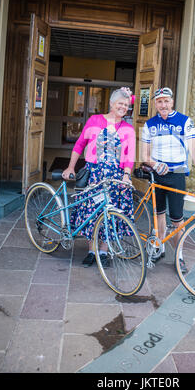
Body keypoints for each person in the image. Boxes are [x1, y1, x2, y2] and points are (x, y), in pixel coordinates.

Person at [62, 87, 135, 268]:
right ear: (112, 103)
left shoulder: (128, 129)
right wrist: (71, 166)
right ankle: (91, 251)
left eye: (126, 105)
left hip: (116, 179)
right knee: (92, 213)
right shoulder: (94, 120)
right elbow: (80, 144)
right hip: (94, 176)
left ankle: (103, 251)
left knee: (111, 214)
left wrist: (126, 175)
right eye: (120, 103)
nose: (123, 107)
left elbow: (129, 156)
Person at [141, 87, 195, 273]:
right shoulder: (149, 124)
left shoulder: (184, 121)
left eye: (166, 101)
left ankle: (178, 256)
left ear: (172, 102)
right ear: (155, 104)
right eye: (159, 101)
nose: (163, 104)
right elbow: (144, 155)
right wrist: (154, 165)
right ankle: (160, 248)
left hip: (177, 174)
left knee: (177, 219)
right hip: (157, 175)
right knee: (159, 215)